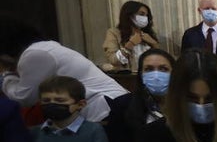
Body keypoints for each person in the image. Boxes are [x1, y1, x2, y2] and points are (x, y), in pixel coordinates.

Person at [0, 18, 128, 123]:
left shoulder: (34, 54)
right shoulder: (43, 48)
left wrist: (5, 75)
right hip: (111, 104)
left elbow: (25, 98)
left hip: (106, 106)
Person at [106, 48, 175, 142]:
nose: (156, 75)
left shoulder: (186, 104)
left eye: (163, 69)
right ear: (141, 74)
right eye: (149, 69)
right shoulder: (122, 105)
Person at [101, 1, 161, 72]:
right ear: (129, 15)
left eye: (146, 15)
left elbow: (161, 60)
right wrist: (131, 44)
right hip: (127, 78)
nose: (145, 18)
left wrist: (154, 44)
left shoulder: (148, 34)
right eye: (141, 14)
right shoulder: (114, 33)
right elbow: (113, 60)